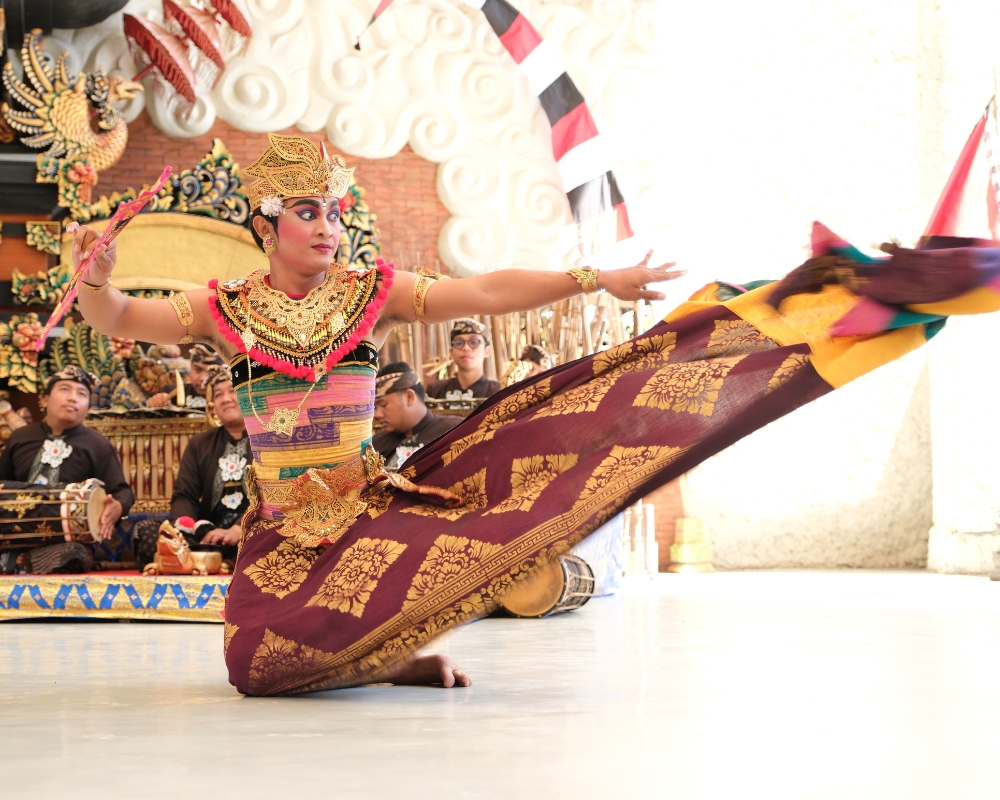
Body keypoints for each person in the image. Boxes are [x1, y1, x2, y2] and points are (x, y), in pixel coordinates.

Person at [67, 133, 977, 697]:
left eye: (337, 213)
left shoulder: (370, 291)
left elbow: (490, 286)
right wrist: (97, 276)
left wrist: (597, 277)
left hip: (365, 510)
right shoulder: (224, 304)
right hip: (280, 527)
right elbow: (114, 318)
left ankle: (820, 319)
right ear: (266, 224)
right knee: (256, 668)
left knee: (557, 445)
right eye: (307, 212)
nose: (329, 227)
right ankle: (391, 658)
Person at [0, 366, 134, 574]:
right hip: (13, 536)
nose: (73, 398)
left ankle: (19, 562)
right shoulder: (20, 438)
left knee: (76, 554)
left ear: (87, 406)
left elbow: (123, 492)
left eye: (81, 394)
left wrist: (118, 506)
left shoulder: (98, 445)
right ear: (44, 399)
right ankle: (20, 559)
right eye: (64, 390)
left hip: (63, 540)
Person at [134, 364, 250, 570]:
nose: (226, 399)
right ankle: (213, 562)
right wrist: (192, 527)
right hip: (208, 536)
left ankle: (204, 563)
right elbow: (185, 496)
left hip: (252, 531)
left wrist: (237, 530)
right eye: (218, 394)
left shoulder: (267, 441)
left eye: (233, 390)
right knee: (149, 532)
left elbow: (272, 496)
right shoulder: (200, 444)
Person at [372, 362, 462, 470]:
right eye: (375, 408)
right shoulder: (375, 445)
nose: (377, 415)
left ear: (409, 397)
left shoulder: (457, 431)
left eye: (383, 405)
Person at [425, 318, 501, 402]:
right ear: (451, 352)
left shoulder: (498, 392)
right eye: (459, 343)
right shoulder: (435, 391)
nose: (466, 348)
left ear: (487, 351)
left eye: (474, 342)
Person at [146, 344, 225, 408]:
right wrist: (153, 404)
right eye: (198, 369)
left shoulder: (230, 398)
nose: (203, 378)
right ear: (190, 369)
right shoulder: (171, 392)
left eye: (211, 372)